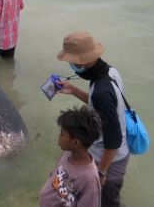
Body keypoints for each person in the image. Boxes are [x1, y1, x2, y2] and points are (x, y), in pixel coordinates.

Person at [56, 31, 130, 207]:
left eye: (71, 61)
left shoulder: (101, 93)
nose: (71, 65)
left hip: (109, 160)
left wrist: (102, 172)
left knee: (106, 202)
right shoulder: (110, 72)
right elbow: (100, 106)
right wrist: (74, 90)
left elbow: (113, 140)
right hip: (109, 153)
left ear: (83, 61)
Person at [39, 106, 102, 207]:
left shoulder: (89, 179)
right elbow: (55, 173)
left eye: (62, 135)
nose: (59, 137)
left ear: (76, 143)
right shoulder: (67, 153)